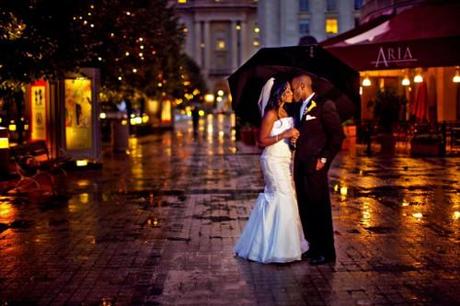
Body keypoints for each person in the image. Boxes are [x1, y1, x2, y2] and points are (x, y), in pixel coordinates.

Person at [234, 78, 309, 263]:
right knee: (282, 196)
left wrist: (292, 139)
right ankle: (277, 248)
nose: (292, 94)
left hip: (284, 159)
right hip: (272, 160)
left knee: (287, 196)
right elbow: (261, 141)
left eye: (291, 91)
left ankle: (284, 243)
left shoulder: (285, 111)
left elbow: (285, 137)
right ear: (281, 93)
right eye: (289, 91)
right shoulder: (270, 113)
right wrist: (284, 134)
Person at [289, 74, 345, 265]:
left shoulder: (324, 105)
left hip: (316, 166)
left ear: (302, 85)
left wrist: (323, 159)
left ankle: (326, 251)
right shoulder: (298, 108)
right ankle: (313, 247)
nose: (292, 91)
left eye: (293, 87)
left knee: (319, 207)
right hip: (300, 165)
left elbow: (337, 136)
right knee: (305, 208)